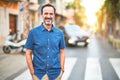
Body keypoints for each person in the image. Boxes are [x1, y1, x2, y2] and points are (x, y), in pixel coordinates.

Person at [25, 3, 66, 80]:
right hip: (38, 74)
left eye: (51, 14)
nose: (48, 16)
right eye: (46, 13)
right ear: (41, 15)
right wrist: (32, 72)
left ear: (54, 15)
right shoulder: (33, 32)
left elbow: (62, 51)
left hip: (56, 74)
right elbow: (28, 53)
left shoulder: (59, 33)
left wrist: (62, 68)